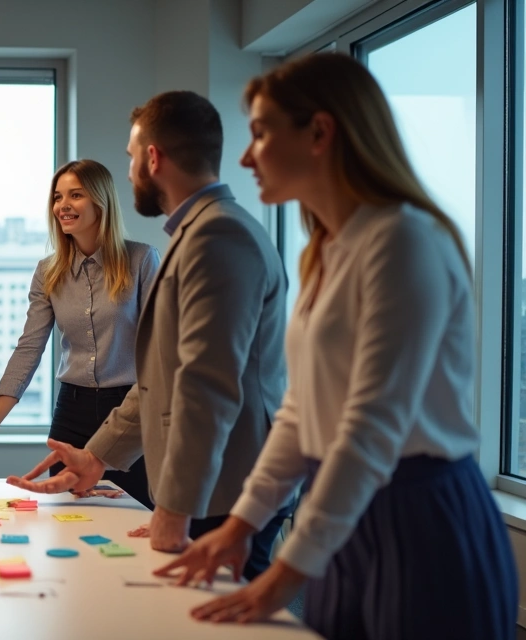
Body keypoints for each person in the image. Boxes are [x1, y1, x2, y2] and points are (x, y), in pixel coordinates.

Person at [156, 53, 517, 640]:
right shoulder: (326, 250)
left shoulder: (402, 240)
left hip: (415, 516)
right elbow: (302, 411)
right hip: (343, 510)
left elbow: (372, 424)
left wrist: (285, 572)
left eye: (261, 133)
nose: (246, 157)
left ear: (320, 132)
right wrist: (241, 525)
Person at [7, 91, 291, 580]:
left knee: (222, 612)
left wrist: (174, 508)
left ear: (153, 158)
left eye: (132, 156)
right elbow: (159, 377)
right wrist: (97, 457)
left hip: (227, 487)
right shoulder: (195, 235)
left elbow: (206, 389)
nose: (130, 170)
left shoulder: (215, 238)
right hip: (212, 484)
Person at [0, 159, 159, 508]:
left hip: (131, 410)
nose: (63, 205)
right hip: (73, 411)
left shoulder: (142, 260)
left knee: (137, 512)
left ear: (101, 201)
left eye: (75, 195)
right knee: (67, 514)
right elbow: (29, 349)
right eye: (58, 197)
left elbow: (160, 350)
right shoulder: (48, 271)